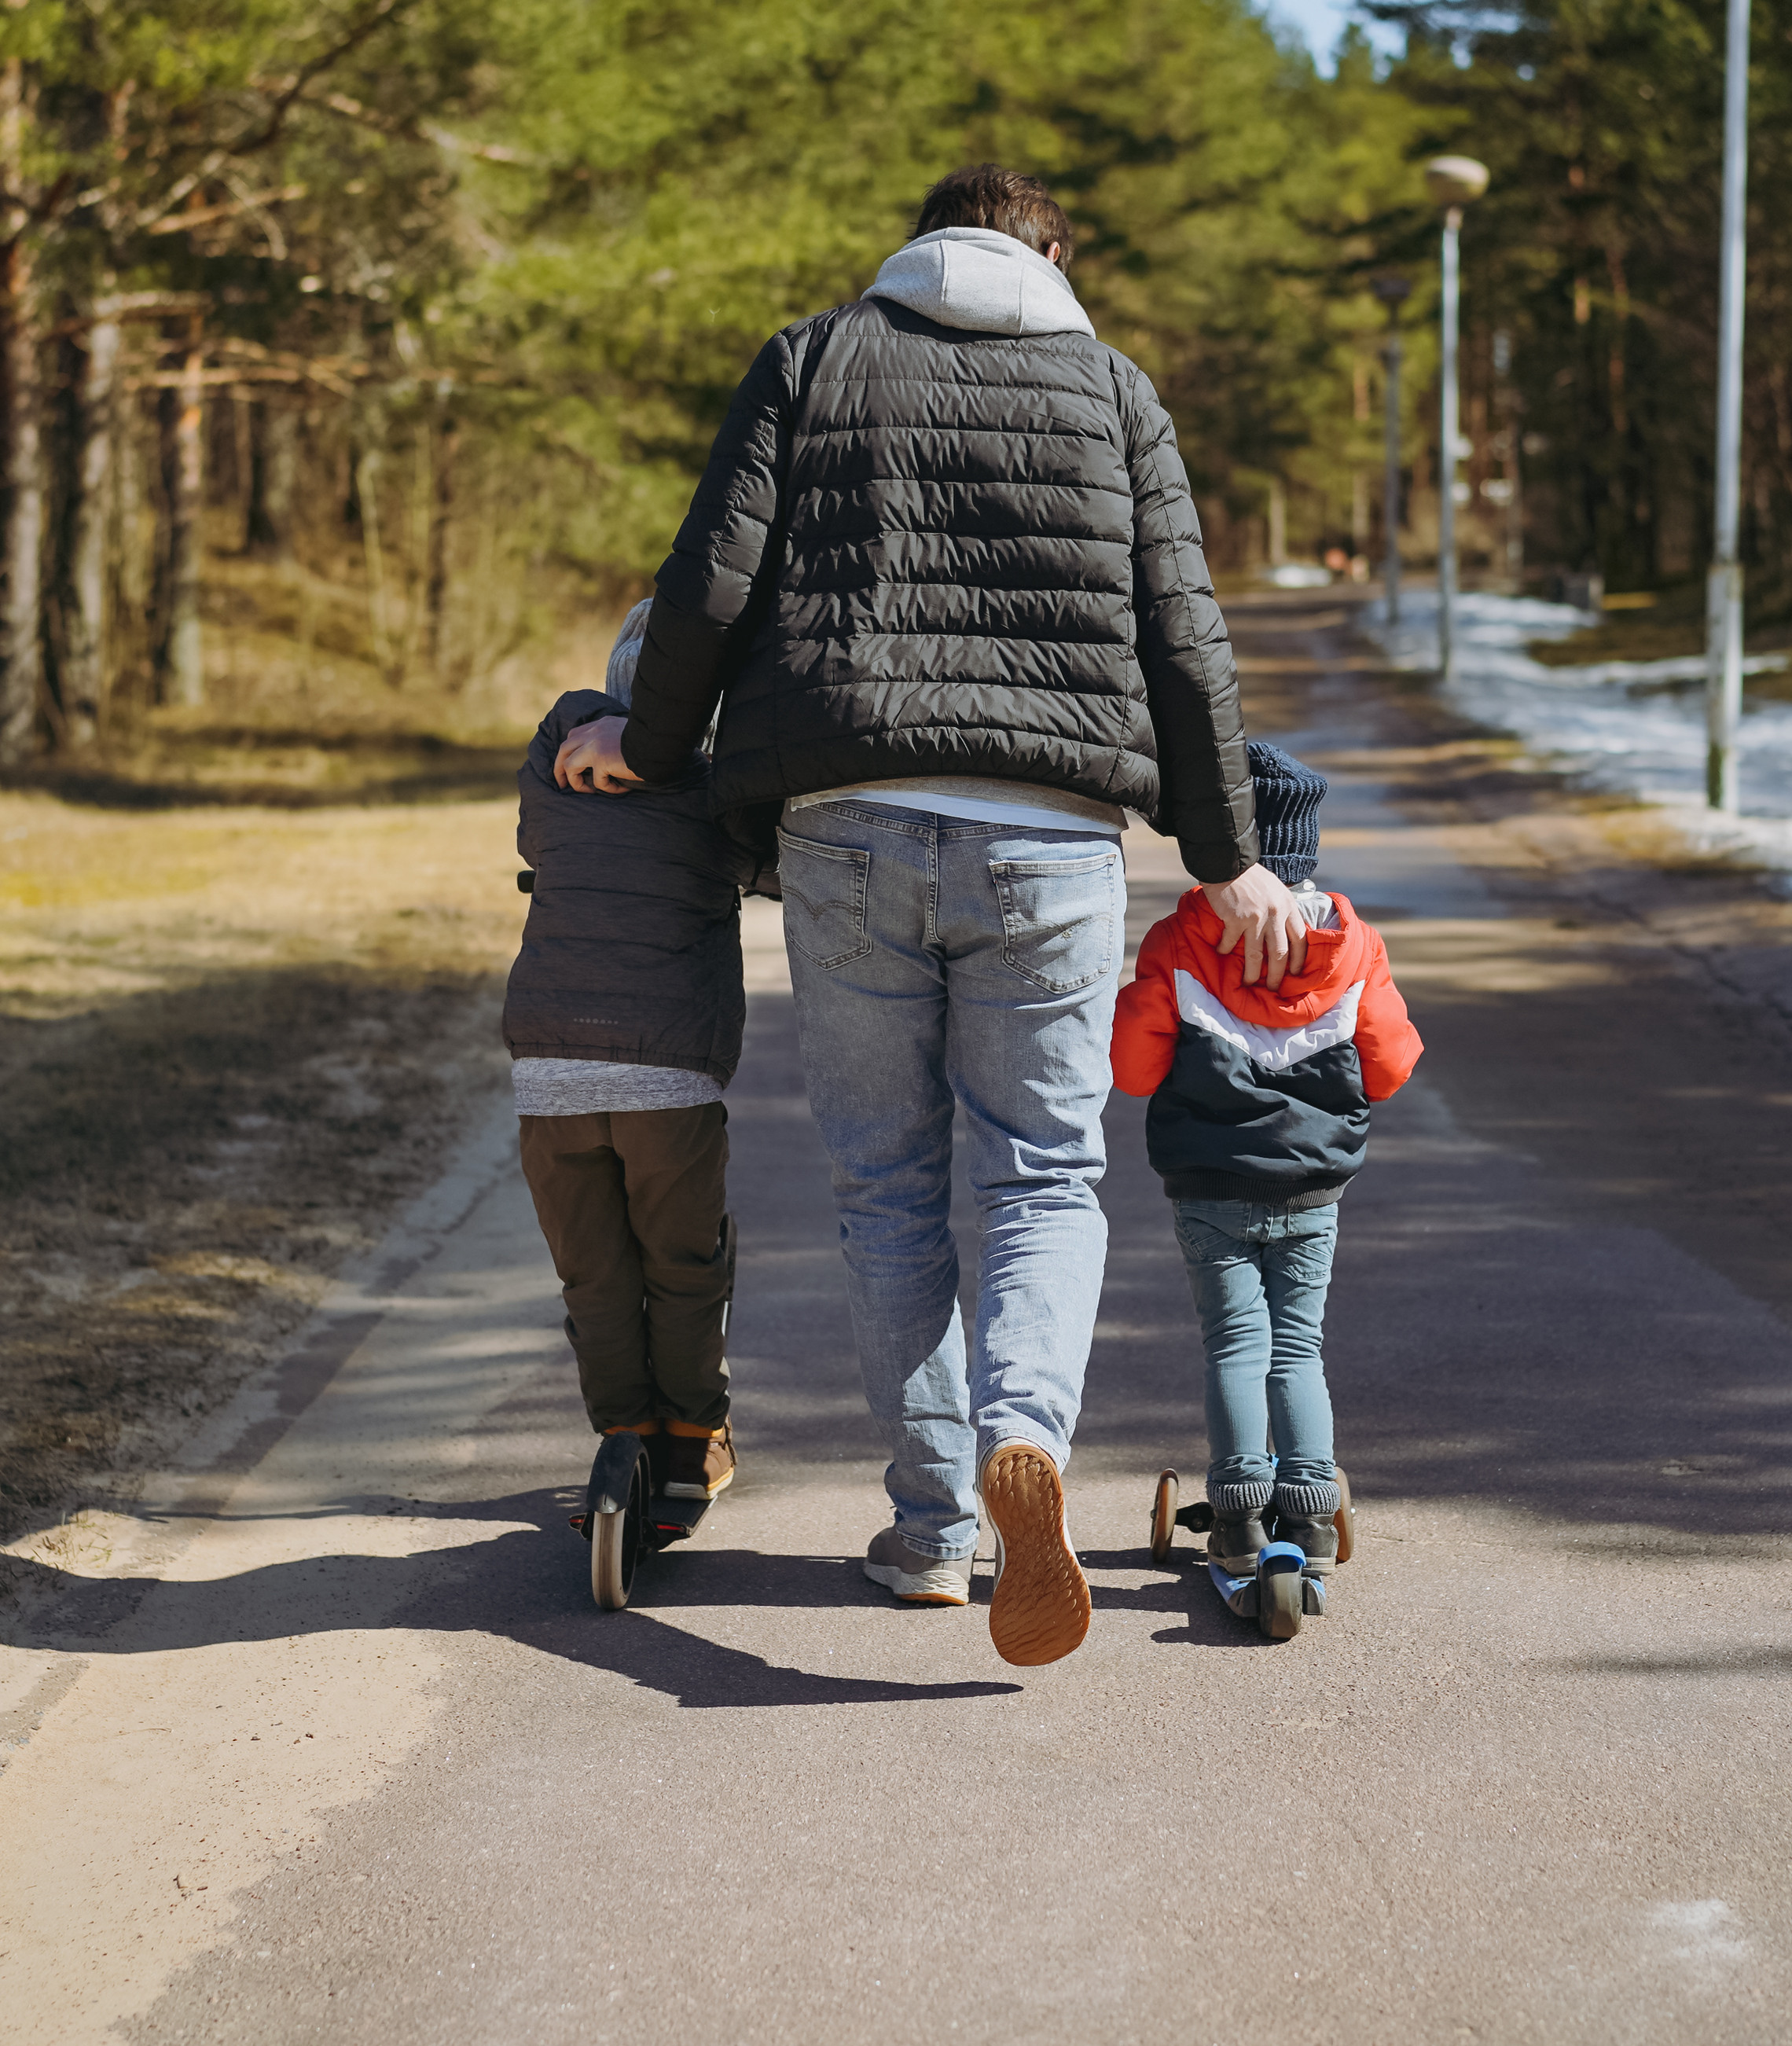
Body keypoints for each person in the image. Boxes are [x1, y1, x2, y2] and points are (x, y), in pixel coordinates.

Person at [550, 164, 1303, 1668]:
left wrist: (645, 742)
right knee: (1039, 1174)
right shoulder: (1111, 389)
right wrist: (1225, 855)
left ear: (912, 245)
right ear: (1053, 258)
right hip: (1054, 843)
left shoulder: (814, 355)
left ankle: (934, 1523)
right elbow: (1182, 633)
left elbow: (712, 580)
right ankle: (1026, 1435)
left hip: (842, 823)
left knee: (887, 1185)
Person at [1109, 743, 1422, 1602]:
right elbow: (1391, 1069)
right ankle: (1311, 1507)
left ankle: (1241, 1512)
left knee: (1236, 1344)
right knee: (1298, 1346)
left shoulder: (1179, 942)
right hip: (1311, 1187)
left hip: (1208, 1185)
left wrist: (1156, 1002)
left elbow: (1133, 1072)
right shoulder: (1353, 947)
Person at [505, 601, 754, 1520]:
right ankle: (693, 1433)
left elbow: (540, 839)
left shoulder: (554, 759)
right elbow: (764, 858)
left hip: (551, 1071)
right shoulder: (722, 786)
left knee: (594, 1273)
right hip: (668, 1079)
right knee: (682, 1264)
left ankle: (623, 1433)